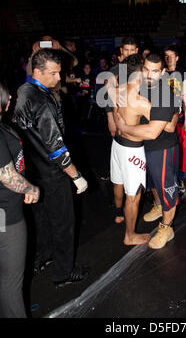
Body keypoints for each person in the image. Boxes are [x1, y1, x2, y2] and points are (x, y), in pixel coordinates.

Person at [13, 49, 89, 287]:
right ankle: (64, 272)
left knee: (41, 219)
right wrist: (76, 176)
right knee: (63, 222)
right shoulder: (42, 101)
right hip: (52, 172)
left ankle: (43, 257)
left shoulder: (22, 91)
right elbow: (55, 146)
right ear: (37, 72)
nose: (59, 78)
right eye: (54, 73)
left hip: (31, 172)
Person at [115, 53, 179, 250]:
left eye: (155, 71)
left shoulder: (165, 93)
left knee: (167, 188)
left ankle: (166, 227)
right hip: (144, 148)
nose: (150, 75)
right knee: (152, 184)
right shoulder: (141, 86)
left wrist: (124, 128)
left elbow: (157, 131)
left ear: (163, 72)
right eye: (146, 70)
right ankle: (159, 206)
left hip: (162, 148)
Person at [0, 82, 40, 318]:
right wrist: (31, 188)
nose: (13, 97)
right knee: (11, 280)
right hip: (7, 215)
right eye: (8, 96)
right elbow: (6, 176)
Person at [111, 54, 151, 245]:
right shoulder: (139, 100)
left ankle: (119, 215)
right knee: (134, 196)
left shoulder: (118, 89)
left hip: (117, 143)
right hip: (132, 150)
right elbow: (162, 126)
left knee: (118, 182)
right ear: (141, 71)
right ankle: (130, 235)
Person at [102, 36, 139, 223]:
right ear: (120, 53)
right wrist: (110, 119)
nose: (129, 53)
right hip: (119, 125)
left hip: (137, 127)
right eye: (126, 50)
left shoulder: (141, 70)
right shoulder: (113, 72)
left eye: (132, 50)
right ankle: (119, 208)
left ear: (137, 51)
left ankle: (134, 198)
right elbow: (108, 100)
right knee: (119, 167)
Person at [164, 45, 186, 194]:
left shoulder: (184, 73)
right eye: (166, 56)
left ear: (177, 58)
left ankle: (180, 179)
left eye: (171, 55)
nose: (168, 59)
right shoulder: (161, 73)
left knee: (181, 150)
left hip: (180, 118)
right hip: (164, 118)